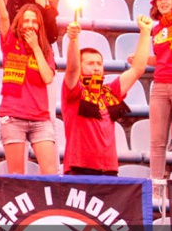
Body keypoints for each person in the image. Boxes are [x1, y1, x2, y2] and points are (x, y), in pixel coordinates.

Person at [63, 17, 151, 175]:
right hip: (79, 167)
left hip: (109, 169)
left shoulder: (110, 91)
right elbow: (72, 68)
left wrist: (145, 32)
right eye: (90, 63)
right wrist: (73, 39)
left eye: (99, 63)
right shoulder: (74, 90)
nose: (96, 68)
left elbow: (137, 69)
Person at [0, 0, 58, 175]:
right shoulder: (10, 42)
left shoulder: (45, 50)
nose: (30, 25)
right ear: (19, 24)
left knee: (51, 173)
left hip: (40, 119)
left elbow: (47, 78)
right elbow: (4, 17)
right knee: (16, 175)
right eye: (26, 21)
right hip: (13, 117)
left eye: (34, 22)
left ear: (39, 26)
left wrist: (37, 47)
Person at [140, 0, 172, 181]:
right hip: (159, 85)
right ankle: (156, 188)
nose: (163, 2)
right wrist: (142, 59)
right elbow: (162, 58)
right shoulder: (156, 29)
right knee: (157, 141)